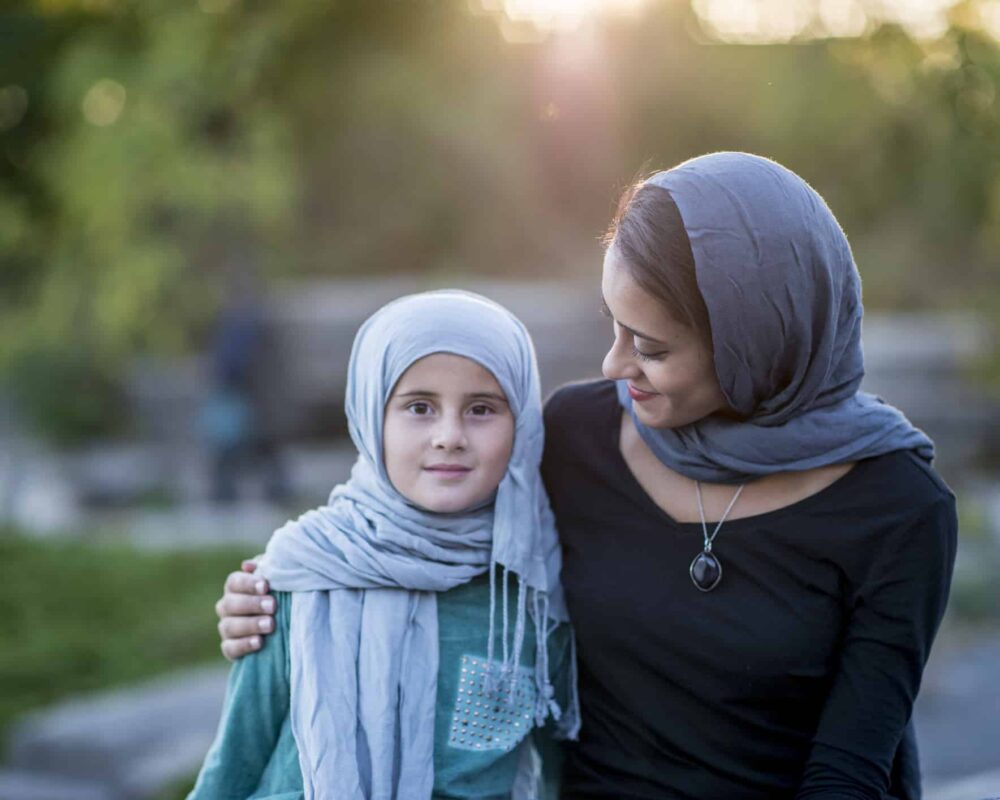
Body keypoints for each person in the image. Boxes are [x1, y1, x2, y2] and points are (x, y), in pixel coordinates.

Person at [216, 153, 957, 799]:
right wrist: (278, 593)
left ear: (755, 343)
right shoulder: (578, 436)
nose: (613, 366)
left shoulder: (898, 511)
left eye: (652, 347)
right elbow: (416, 522)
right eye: (613, 326)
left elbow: (848, 773)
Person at [190, 290, 578, 800]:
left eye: (482, 409)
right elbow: (236, 760)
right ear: (372, 415)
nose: (449, 436)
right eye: (419, 407)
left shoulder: (531, 583)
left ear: (521, 426)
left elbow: (553, 769)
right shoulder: (301, 572)